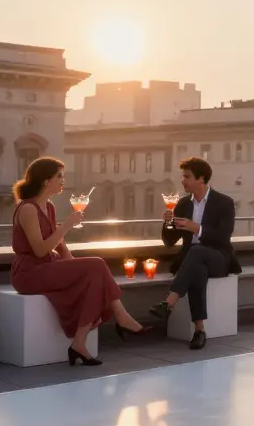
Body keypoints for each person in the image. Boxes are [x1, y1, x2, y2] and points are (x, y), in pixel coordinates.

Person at [9, 157, 151, 366]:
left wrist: (75, 266)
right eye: (59, 176)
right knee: (96, 265)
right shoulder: (28, 209)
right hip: (28, 273)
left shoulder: (48, 207)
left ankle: (80, 342)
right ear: (46, 180)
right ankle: (121, 318)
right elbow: (39, 250)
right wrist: (66, 226)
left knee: (94, 271)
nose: (63, 180)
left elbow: (59, 245)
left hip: (47, 266)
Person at [150, 157, 242, 350]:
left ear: (201, 179)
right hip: (194, 258)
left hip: (219, 257)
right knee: (197, 268)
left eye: (187, 176)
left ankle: (169, 303)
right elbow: (169, 242)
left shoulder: (224, 203)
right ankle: (199, 330)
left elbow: (223, 237)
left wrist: (196, 229)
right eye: (182, 176)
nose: (182, 180)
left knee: (197, 251)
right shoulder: (183, 204)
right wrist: (168, 222)